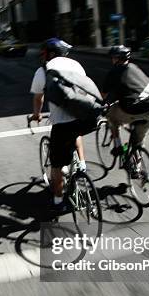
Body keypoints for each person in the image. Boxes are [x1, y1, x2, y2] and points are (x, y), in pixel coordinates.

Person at [28, 38, 98, 213]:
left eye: (44, 53)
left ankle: (58, 202)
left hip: (62, 124)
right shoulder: (76, 65)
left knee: (57, 166)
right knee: (76, 132)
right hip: (87, 118)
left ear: (50, 53)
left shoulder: (44, 69)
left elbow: (38, 97)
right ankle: (81, 164)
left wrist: (36, 114)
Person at [101, 45, 149, 176]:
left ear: (116, 59)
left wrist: (100, 105)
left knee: (111, 116)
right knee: (138, 141)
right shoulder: (134, 67)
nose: (112, 60)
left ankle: (117, 145)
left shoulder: (114, 72)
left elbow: (103, 95)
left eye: (112, 58)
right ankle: (136, 167)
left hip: (131, 111)